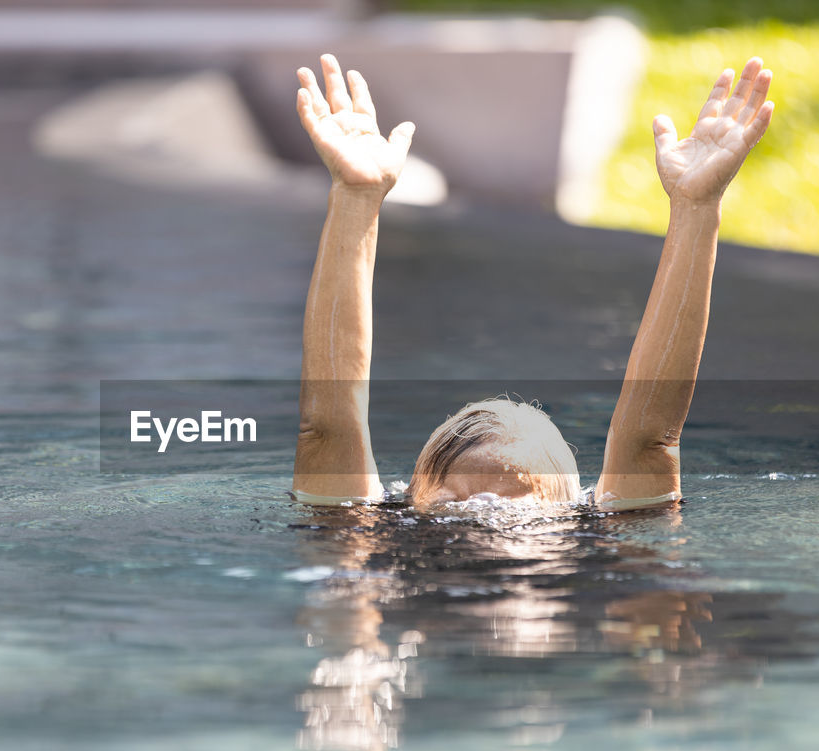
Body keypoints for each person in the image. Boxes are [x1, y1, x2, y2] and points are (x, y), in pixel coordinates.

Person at [291, 54, 774, 510]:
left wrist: (697, 207)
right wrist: (354, 196)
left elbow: (652, 440)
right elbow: (328, 431)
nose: (482, 519)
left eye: (514, 509)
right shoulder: (594, 544)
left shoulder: (373, 537)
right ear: (411, 498)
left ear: (569, 509)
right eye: (453, 504)